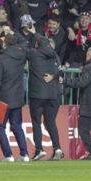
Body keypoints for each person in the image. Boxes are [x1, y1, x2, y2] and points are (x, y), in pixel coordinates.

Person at [24, 25, 64, 161]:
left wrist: (32, 35)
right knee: (50, 121)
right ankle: (57, 147)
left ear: (37, 44)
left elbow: (26, 49)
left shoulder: (34, 54)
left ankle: (39, 149)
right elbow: (60, 69)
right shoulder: (54, 56)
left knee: (36, 122)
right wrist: (53, 76)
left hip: (37, 94)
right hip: (52, 93)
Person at [0, 34, 30, 162]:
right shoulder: (21, 56)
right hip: (17, 97)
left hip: (2, 99)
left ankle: (8, 155)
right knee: (17, 126)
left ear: (5, 44)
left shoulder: (0, 59)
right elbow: (25, 42)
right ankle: (25, 154)